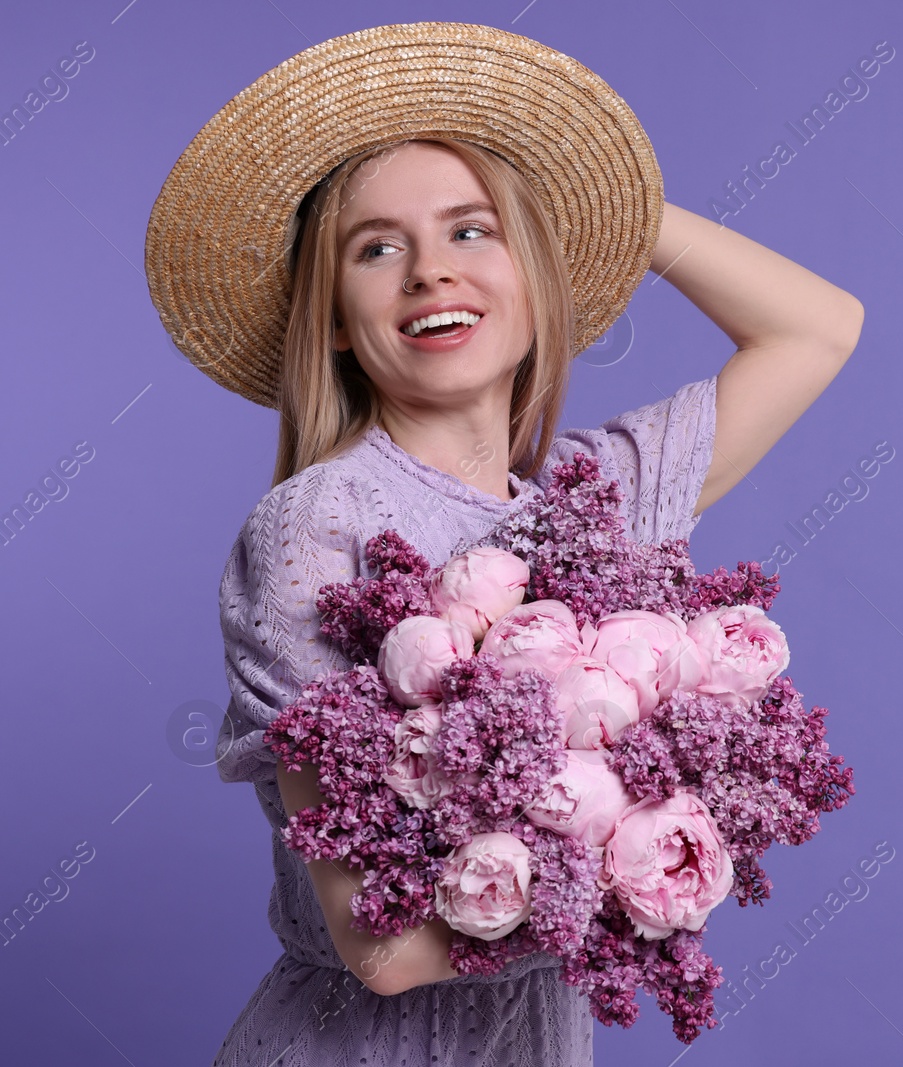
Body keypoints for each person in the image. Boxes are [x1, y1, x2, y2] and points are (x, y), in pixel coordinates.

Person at [142, 24, 862, 1067]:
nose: (431, 271)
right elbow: (381, 945)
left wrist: (603, 205)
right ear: (338, 319)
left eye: (474, 232)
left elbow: (818, 326)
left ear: (537, 277)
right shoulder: (317, 522)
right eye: (376, 248)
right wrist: (639, 871)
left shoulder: (594, 497)